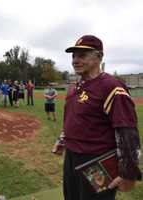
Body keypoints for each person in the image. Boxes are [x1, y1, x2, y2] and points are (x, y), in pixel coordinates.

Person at [52, 35, 142, 200]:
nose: (75, 60)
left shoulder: (112, 87)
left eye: (82, 55)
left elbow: (127, 131)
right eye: (74, 56)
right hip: (71, 157)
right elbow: (72, 119)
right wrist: (62, 140)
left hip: (97, 162)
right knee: (71, 196)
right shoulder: (74, 88)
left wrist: (128, 173)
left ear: (99, 57)